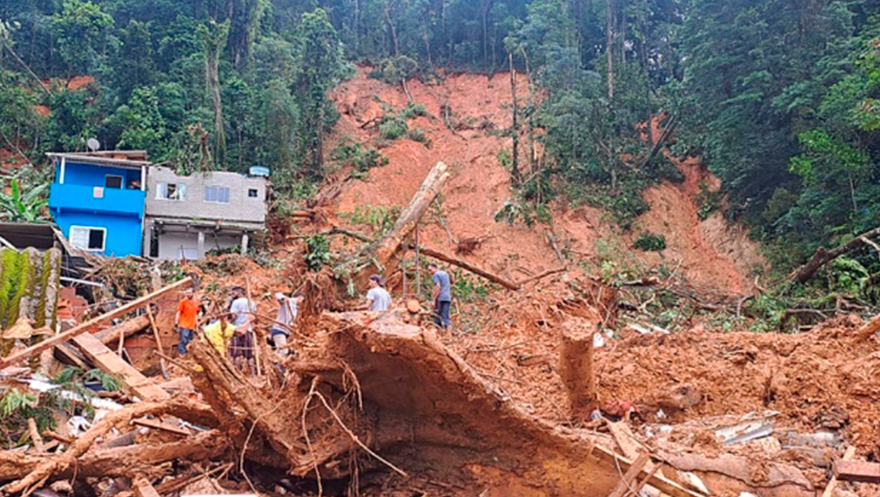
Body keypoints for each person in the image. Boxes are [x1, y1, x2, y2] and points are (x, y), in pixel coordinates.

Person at [228, 286, 256, 371]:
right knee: (249, 353)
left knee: (236, 353)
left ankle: (237, 372)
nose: (232, 295)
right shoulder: (252, 303)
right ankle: (253, 373)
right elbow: (254, 317)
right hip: (248, 329)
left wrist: (229, 323)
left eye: (233, 293)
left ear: (238, 292)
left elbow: (234, 315)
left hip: (237, 329)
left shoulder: (236, 302)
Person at [271, 291, 303, 358]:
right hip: (279, 330)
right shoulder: (289, 302)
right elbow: (277, 294)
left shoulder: (297, 308)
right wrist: (284, 298)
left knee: (289, 351)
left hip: (287, 332)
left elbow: (290, 320)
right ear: (300, 297)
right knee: (283, 352)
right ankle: (279, 367)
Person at [175, 288, 199, 355]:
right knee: (183, 340)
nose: (188, 294)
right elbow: (179, 312)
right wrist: (176, 322)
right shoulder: (183, 302)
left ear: (193, 294)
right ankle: (182, 353)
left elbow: (195, 314)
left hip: (191, 325)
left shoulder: (195, 303)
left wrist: (196, 324)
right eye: (187, 293)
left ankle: (188, 354)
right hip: (184, 324)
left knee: (190, 341)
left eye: (189, 293)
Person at [429, 263, 452, 330]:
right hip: (447, 297)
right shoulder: (445, 274)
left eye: (430, 270)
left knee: (437, 315)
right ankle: (448, 330)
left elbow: (438, 287)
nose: (429, 272)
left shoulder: (436, 275)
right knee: (445, 315)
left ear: (435, 268)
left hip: (440, 297)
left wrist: (434, 299)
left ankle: (436, 332)